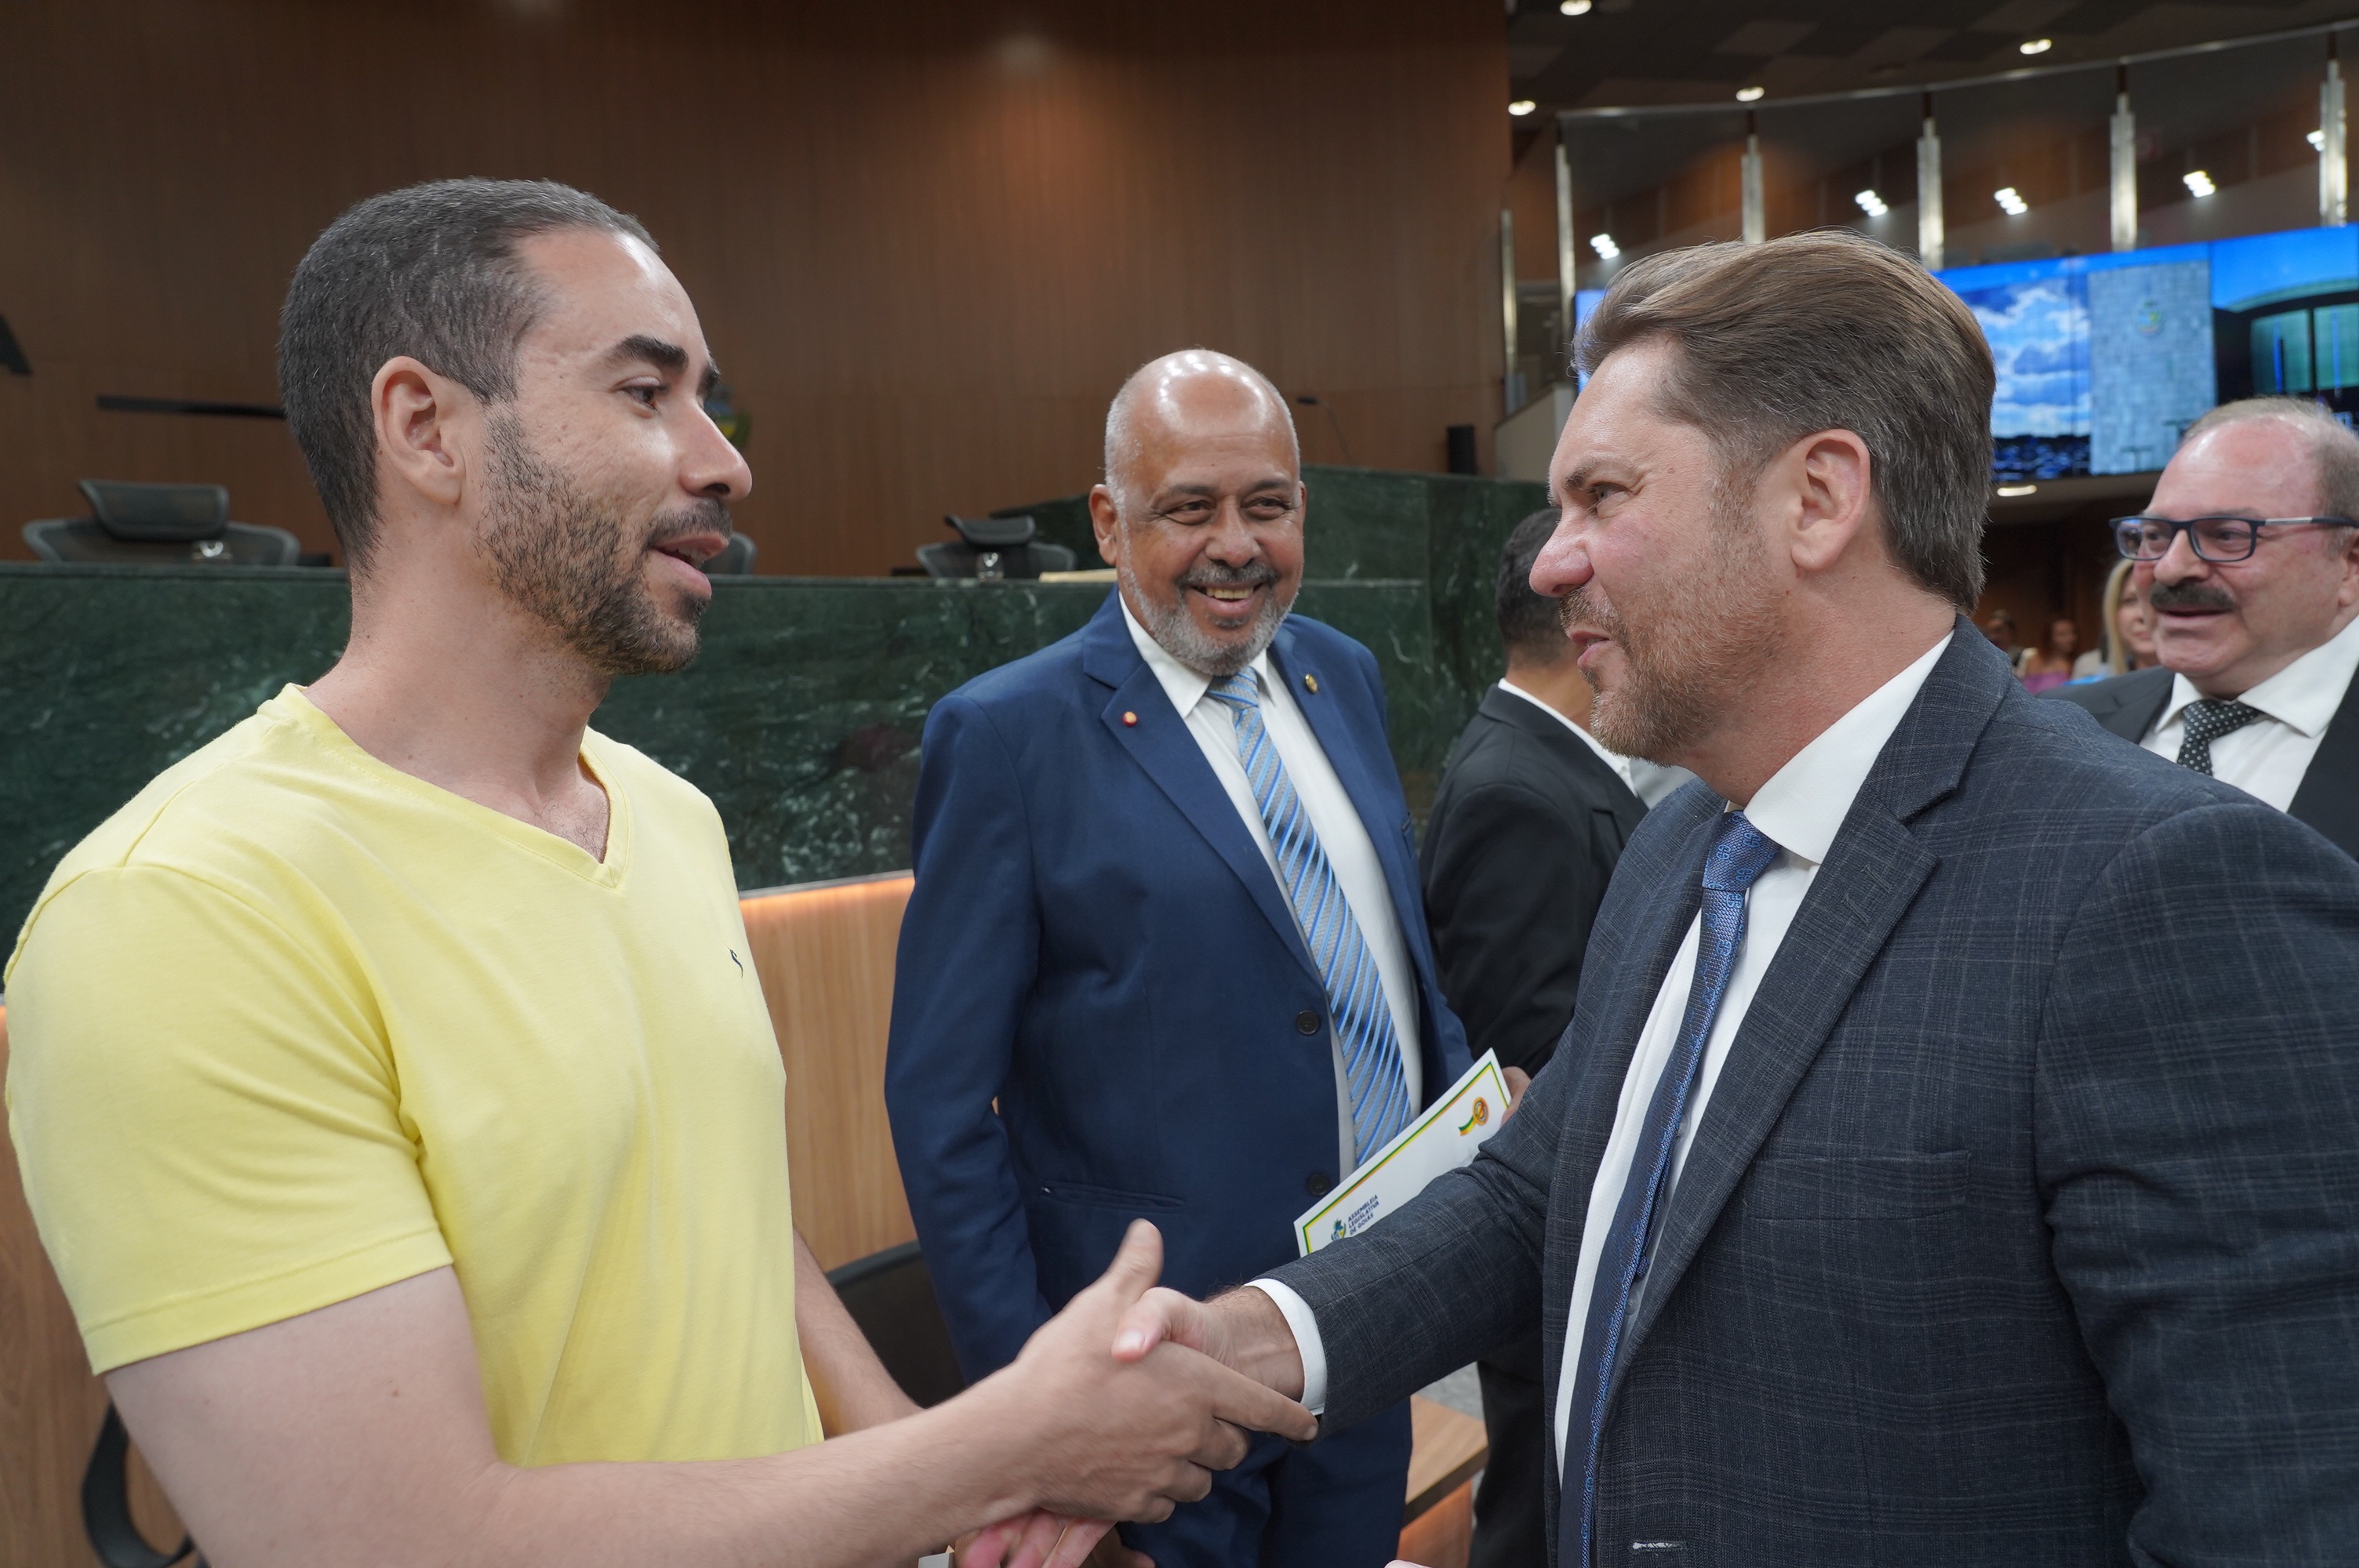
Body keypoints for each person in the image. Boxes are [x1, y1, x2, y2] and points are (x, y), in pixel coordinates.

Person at [2, 180, 1312, 1568]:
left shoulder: (667, 817)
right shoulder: (179, 915)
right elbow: (408, 1545)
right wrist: (995, 1450)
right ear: (425, 428)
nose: (723, 462)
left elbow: (728, 1225)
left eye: (710, 403)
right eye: (645, 394)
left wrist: (950, 1501)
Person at [1112, 231, 2359, 1563]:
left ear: (1817, 499)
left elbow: (2268, 1510)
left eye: (1601, 496)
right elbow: (1536, 1194)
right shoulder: (1683, 848)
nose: (1552, 564)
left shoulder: (2167, 892)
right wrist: (1231, 1346)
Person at [887, 349, 1470, 1568]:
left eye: (1267, 505)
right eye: (1190, 509)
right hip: (1148, 1378)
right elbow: (940, 1110)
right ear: (1110, 524)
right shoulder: (1005, 736)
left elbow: (1382, 964)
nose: (1236, 546)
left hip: (1361, 1336)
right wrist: (1036, 1417)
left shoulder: (1346, 675)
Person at [1416, 506, 1648, 1568]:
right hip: (1557, 1245)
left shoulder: (1553, 765)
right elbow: (1528, 1059)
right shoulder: (1519, 788)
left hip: (1582, 1245)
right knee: (1537, 1516)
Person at [2052, 397, 2359, 856]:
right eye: (2155, 535)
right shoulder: (2059, 729)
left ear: (2349, 564)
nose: (2170, 569)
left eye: (2228, 535)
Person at [2016, 615, 2079, 693]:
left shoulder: (2077, 662)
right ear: (2049, 637)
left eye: (2072, 633)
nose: (2070, 638)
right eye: (2062, 634)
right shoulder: (2034, 661)